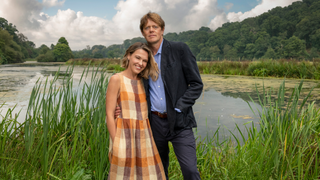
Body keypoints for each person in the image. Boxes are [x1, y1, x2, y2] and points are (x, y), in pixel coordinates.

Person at [116, 12, 203, 179]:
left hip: (180, 122)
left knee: (190, 170)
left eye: (155, 26)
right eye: (147, 27)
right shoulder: (143, 57)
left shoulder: (180, 49)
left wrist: (179, 107)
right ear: (143, 32)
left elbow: (196, 84)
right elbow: (130, 83)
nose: (151, 30)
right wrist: (119, 108)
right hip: (154, 123)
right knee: (159, 172)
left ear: (162, 29)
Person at [106, 42, 166, 180]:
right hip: (123, 136)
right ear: (128, 56)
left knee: (148, 175)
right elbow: (109, 114)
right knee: (123, 176)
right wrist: (116, 143)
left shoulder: (144, 81)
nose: (141, 63)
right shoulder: (116, 79)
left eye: (145, 60)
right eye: (137, 58)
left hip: (144, 137)